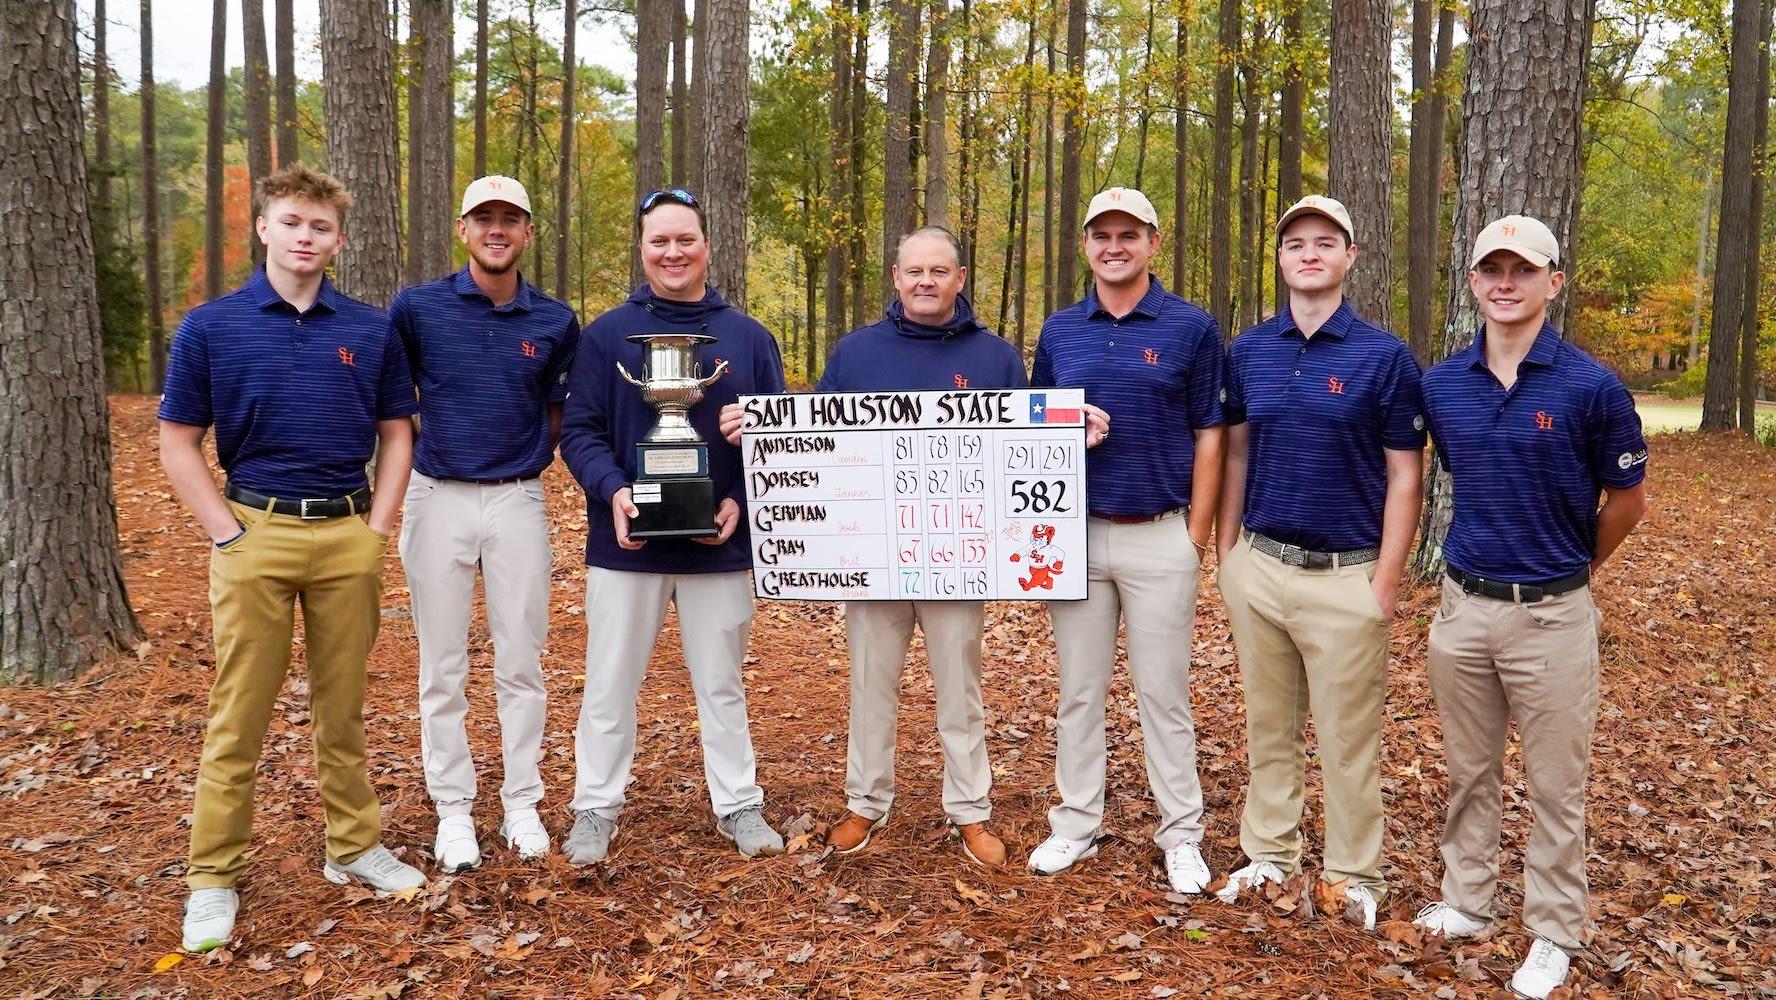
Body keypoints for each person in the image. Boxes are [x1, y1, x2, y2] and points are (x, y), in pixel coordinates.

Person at [160, 164, 425, 953]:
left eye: (320, 227)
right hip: (254, 533)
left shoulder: (371, 330)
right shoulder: (212, 327)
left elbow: (397, 431)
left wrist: (378, 528)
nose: (305, 237)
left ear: (338, 240)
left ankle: (353, 846)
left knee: (342, 710)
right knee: (238, 713)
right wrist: (225, 533)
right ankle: (212, 877)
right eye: (292, 223)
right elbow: (178, 439)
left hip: (347, 534)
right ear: (264, 229)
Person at [797, 227, 1106, 867]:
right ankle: (865, 801)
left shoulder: (993, 357)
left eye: (940, 271)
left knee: (959, 688)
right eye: (915, 271)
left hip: (958, 555)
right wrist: (765, 430)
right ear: (895, 275)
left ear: (960, 279)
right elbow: (818, 446)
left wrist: (1068, 426)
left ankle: (969, 809)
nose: (926, 282)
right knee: (870, 682)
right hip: (874, 554)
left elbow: (1026, 447)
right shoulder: (856, 354)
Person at [1412, 215, 1648, 999]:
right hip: (1464, 607)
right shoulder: (1443, 385)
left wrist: (1575, 566)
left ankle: (1552, 930)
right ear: (1474, 282)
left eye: (1524, 269)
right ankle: (1468, 900)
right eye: (1492, 270)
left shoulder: (1592, 387)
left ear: (1554, 282)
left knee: (1556, 785)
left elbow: (1626, 500)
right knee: (1469, 772)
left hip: (1552, 615)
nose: (1505, 283)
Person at [1212, 195, 1425, 930]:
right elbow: (1235, 451)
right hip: (1261, 567)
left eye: (1325, 242)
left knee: (1346, 738)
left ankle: (1354, 875)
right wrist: (1228, 554)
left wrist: (1386, 583)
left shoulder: (1384, 357)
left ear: (1350, 256)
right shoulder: (1249, 350)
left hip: (1347, 575)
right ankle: (1270, 854)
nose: (1309, 253)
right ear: (1280, 259)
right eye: (1296, 242)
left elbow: (1406, 473)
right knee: (1269, 727)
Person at [558, 188, 787, 864]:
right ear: (643, 248)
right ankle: (595, 807)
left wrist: (739, 499)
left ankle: (739, 804)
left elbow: (780, 440)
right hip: (625, 544)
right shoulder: (605, 335)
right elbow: (580, 432)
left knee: (721, 682)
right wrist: (615, 493)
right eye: (659, 240)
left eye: (684, 238)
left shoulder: (747, 338)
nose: (673, 251)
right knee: (608, 682)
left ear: (706, 245)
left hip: (720, 544)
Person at [1026, 187, 1226, 895]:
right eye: (1102, 235)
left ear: (1153, 242)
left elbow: (1212, 435)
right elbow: (1034, 429)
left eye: (1128, 235)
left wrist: (1194, 537)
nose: (1115, 246)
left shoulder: (1191, 328)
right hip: (1076, 535)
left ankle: (1181, 834)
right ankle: (1075, 823)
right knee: (1079, 692)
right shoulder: (1060, 331)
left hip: (1158, 534)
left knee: (1163, 695)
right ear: (1086, 244)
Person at [390, 176, 579, 871]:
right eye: (484, 219)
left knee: (521, 663)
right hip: (436, 493)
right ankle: (452, 812)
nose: (497, 230)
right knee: (440, 666)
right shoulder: (417, 309)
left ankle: (521, 803)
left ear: (528, 232)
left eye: (511, 219)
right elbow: (391, 400)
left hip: (517, 498)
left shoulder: (554, 321)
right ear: (463, 229)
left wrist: (533, 455)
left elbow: (560, 408)